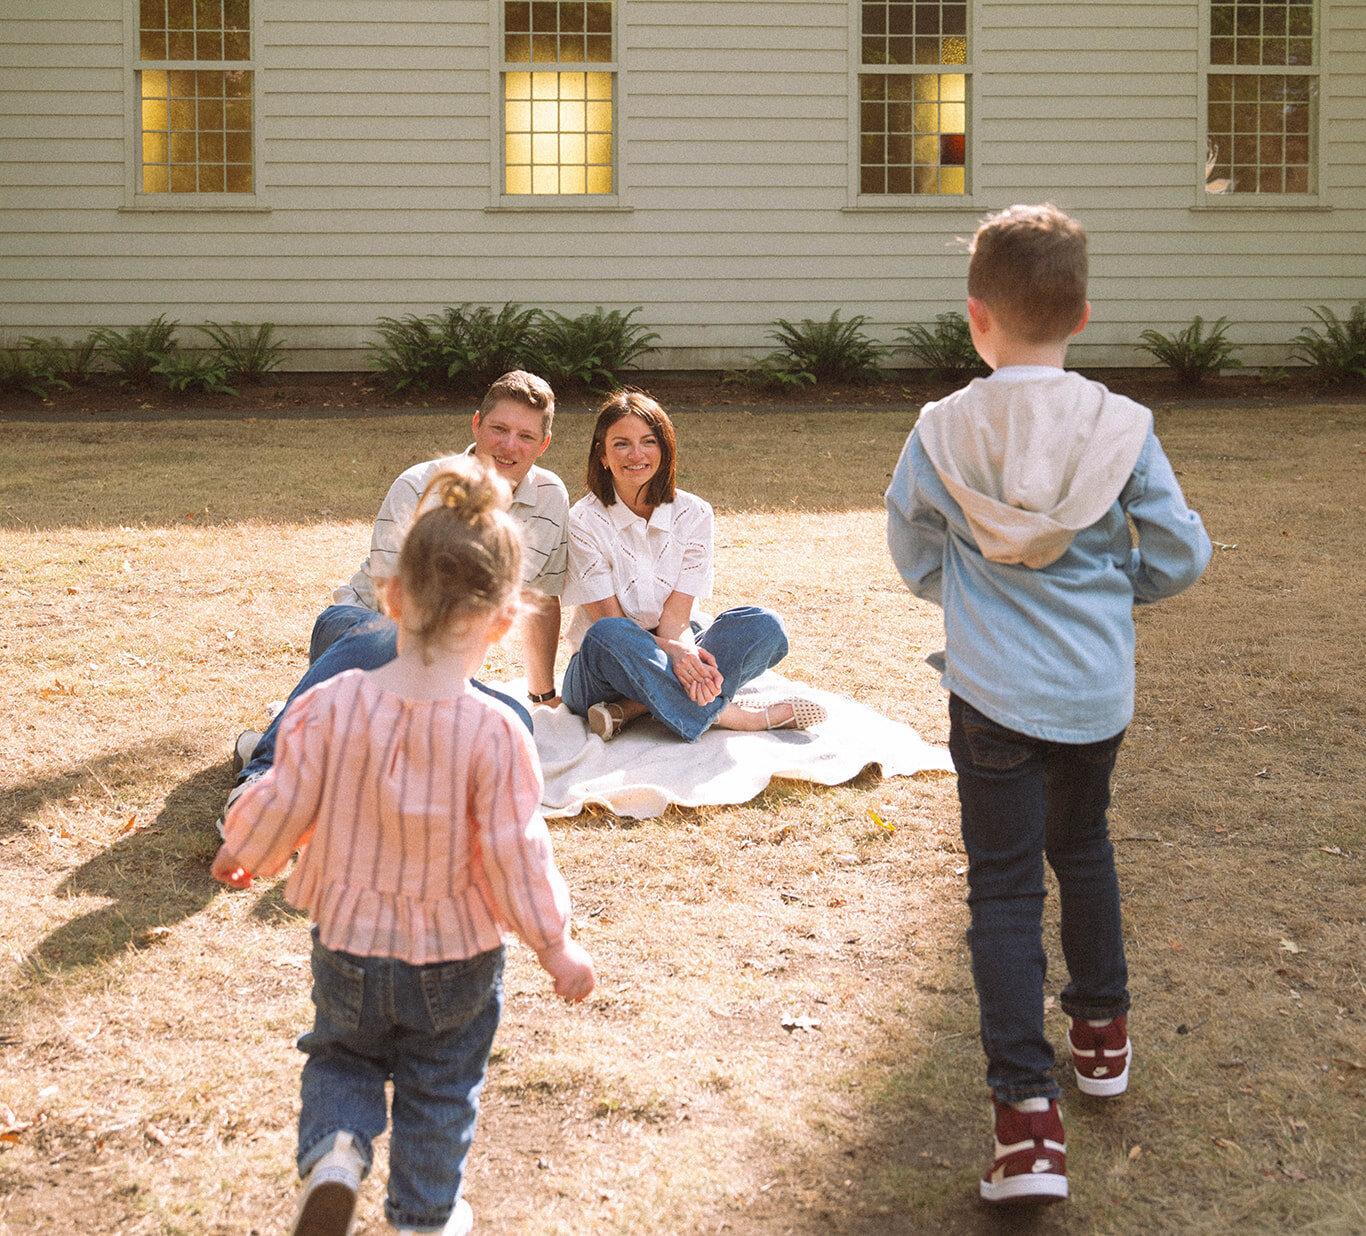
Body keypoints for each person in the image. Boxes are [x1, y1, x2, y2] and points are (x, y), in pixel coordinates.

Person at [885, 203, 1211, 1206]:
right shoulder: (1122, 429)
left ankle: (1025, 1120)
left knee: (1001, 889)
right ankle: (1102, 1030)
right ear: (1080, 312)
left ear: (976, 317)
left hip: (990, 689)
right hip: (1091, 686)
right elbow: (1181, 553)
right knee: (1084, 848)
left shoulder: (942, 430)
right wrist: (1116, 598)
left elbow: (911, 551)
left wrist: (976, 596)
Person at [212, 458, 595, 1236]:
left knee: (342, 1059)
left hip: (349, 942)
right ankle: (424, 1216)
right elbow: (516, 852)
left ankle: (337, 1153)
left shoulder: (331, 703)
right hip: (456, 959)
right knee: (441, 1086)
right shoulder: (496, 732)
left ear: (390, 597)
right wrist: (556, 946)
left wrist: (243, 848)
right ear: (502, 620)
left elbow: (286, 794)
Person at [220, 370, 568, 833]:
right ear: (476, 426)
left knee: (517, 723)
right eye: (499, 430)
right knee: (382, 638)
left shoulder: (550, 498)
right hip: (360, 629)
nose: (509, 446)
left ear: (543, 445)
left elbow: (540, 595)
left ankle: (324, 760)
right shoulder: (420, 485)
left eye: (525, 436)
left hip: (445, 663)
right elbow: (393, 602)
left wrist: (542, 696)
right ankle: (262, 779)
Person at [559, 390, 825, 742]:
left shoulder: (695, 514)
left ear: (664, 449)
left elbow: (676, 619)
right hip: (602, 669)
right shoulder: (581, 521)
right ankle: (742, 718)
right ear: (603, 455)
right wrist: (678, 654)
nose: (636, 455)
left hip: (673, 641)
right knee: (609, 634)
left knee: (764, 626)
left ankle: (633, 708)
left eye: (648, 441)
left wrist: (685, 652)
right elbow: (612, 622)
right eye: (621, 444)